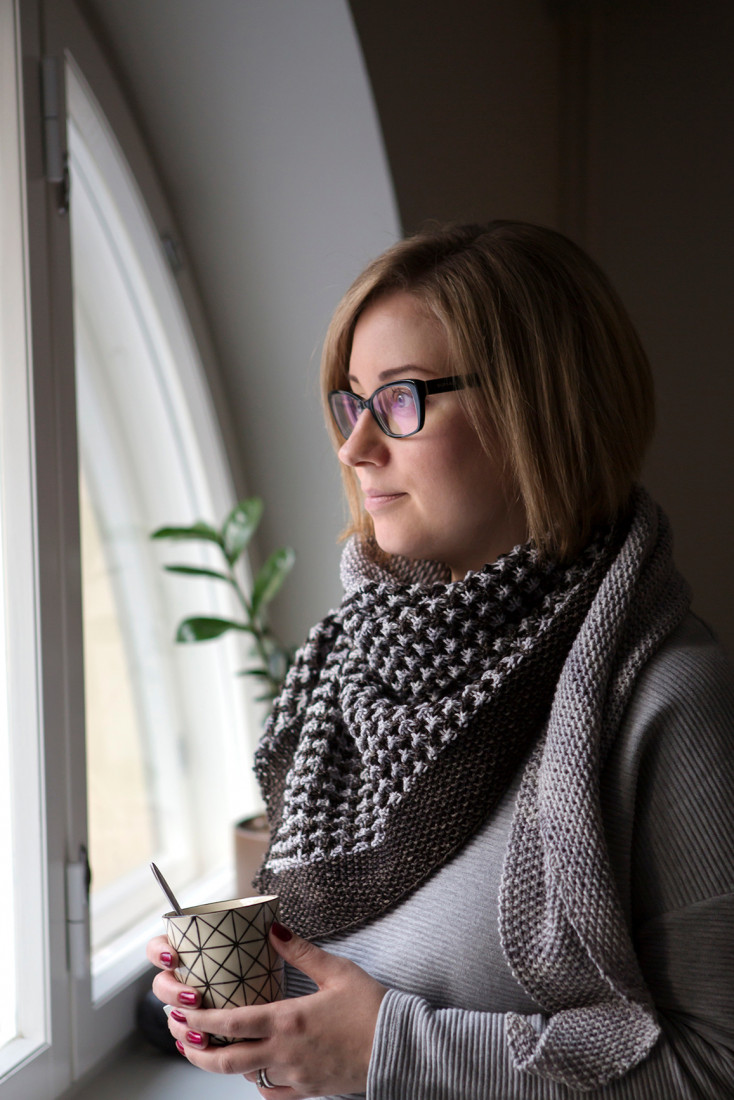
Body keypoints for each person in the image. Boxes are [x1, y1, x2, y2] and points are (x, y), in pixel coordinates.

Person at [147, 221, 734, 1098]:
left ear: (543, 405)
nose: (355, 448)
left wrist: (393, 1049)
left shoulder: (665, 700)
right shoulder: (343, 673)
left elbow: (715, 1063)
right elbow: (351, 1011)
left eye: (402, 398)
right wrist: (266, 1021)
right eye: (353, 402)